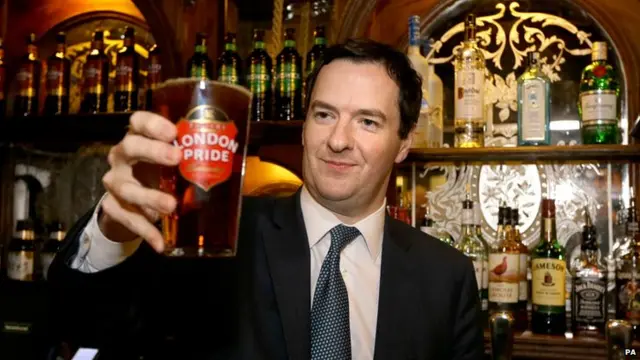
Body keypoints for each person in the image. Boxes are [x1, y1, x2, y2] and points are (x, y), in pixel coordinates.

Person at [48, 38, 483, 360]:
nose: (337, 140)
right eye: (324, 114)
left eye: (367, 122)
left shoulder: (447, 277)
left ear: (404, 141)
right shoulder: (220, 239)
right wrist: (113, 229)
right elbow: (79, 326)